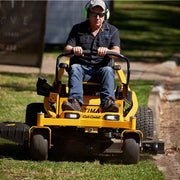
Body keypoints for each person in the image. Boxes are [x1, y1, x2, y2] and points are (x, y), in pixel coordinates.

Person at [62, 0, 120, 112]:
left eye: (101, 15)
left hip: (101, 70)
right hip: (81, 69)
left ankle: (108, 103)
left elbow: (116, 51)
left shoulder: (113, 31)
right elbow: (67, 49)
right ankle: (75, 102)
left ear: (105, 15)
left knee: (108, 70)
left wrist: (108, 51)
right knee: (74, 68)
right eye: (94, 14)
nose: (97, 17)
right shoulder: (77, 29)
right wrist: (74, 49)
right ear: (88, 14)